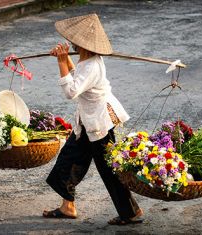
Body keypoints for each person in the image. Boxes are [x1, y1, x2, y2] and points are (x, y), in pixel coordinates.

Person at [42, 13, 143, 225]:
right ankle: (67, 206)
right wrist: (65, 60)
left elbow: (71, 91)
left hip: (99, 123)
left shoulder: (91, 65)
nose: (72, 45)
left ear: (84, 45)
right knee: (69, 159)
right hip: (87, 122)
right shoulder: (88, 60)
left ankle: (130, 212)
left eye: (75, 43)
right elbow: (77, 74)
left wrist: (61, 61)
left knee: (108, 169)